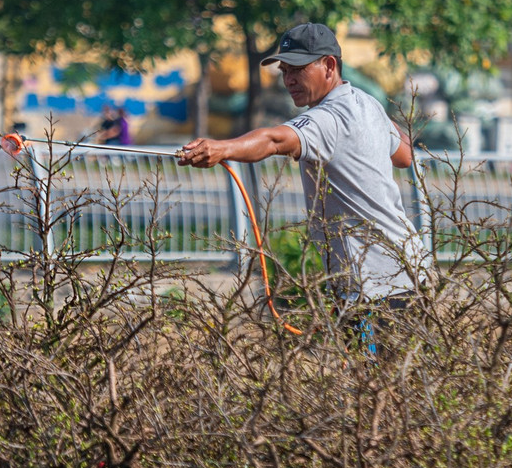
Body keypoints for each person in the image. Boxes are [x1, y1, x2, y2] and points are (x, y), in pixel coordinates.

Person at [177, 22, 422, 306]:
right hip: (412, 270)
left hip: (375, 287)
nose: (288, 79)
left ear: (329, 66)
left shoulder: (326, 118)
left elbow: (274, 140)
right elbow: (405, 156)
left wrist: (222, 148)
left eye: (298, 69)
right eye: (284, 71)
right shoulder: (368, 104)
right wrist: (380, 122)